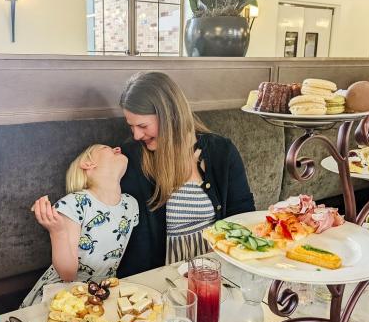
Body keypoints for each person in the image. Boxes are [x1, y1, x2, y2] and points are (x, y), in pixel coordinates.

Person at [117, 71, 255, 278]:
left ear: (169, 115)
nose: (136, 135)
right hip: (161, 279)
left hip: (217, 269)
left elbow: (242, 214)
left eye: (143, 126)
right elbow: (125, 228)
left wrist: (220, 261)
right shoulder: (132, 156)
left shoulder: (222, 152)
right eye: (131, 126)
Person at [21, 144, 139, 307]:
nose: (117, 148)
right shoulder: (75, 203)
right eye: (107, 148)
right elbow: (68, 274)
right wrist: (57, 232)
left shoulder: (131, 205)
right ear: (88, 164)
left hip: (100, 295)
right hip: (62, 295)